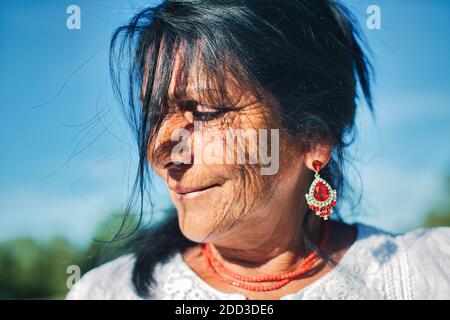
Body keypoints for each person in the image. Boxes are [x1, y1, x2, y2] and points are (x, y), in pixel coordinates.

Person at [66, 0, 450, 300]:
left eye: (206, 111)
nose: (161, 147)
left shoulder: (432, 272)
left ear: (313, 137)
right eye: (153, 114)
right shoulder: (108, 291)